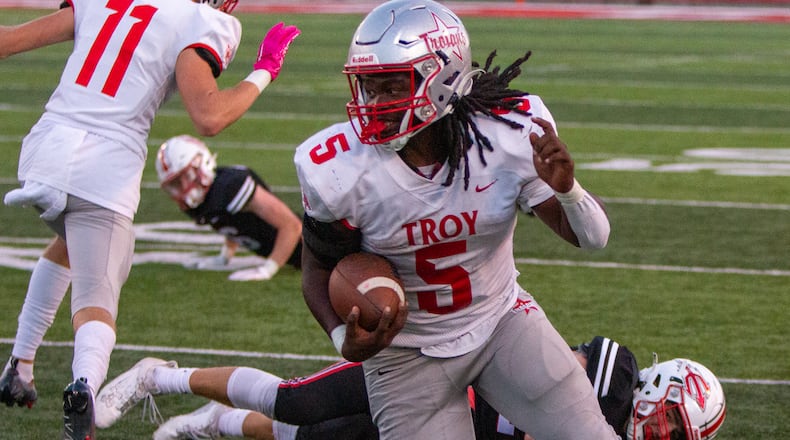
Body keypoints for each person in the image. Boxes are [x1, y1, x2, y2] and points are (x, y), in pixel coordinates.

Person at [294, 0, 613, 438]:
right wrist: (341, 339)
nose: (375, 103)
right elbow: (316, 269)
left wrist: (568, 190)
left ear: (442, 78)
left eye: (392, 87)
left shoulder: (507, 132)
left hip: (501, 322)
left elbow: (593, 238)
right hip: (404, 355)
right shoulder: (337, 168)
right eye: (368, 87)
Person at [0, 0, 300, 437]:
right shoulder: (198, 19)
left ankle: (20, 365)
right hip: (103, 167)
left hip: (43, 152)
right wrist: (265, 71)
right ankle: (84, 385)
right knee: (99, 292)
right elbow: (210, 116)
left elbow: (6, 42)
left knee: (69, 240)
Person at [94, 336, 726, 439]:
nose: (663, 434)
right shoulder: (616, 375)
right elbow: (561, 365)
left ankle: (214, 423)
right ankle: (158, 376)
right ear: (660, 387)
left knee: (312, 438)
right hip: (439, 379)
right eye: (671, 421)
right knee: (298, 401)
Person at [155, 134, 302, 281]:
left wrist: (268, 269)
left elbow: (291, 225)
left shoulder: (231, 185)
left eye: (185, 177)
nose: (182, 188)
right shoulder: (204, 201)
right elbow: (233, 221)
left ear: (201, 164)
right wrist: (225, 256)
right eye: (175, 184)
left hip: (312, 250)